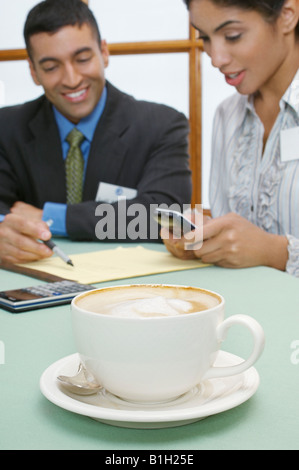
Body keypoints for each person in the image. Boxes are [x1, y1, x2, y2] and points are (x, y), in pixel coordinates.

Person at [0, 0, 192, 264]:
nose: (71, 79)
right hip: (35, 279)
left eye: (82, 59)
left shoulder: (161, 125)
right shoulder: (6, 127)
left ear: (104, 52)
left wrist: (52, 217)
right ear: (33, 71)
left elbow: (165, 216)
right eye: (51, 67)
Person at [162, 0, 299, 277]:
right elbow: (236, 228)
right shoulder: (228, 116)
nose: (216, 58)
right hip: (243, 314)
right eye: (205, 38)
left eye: (232, 36)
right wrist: (204, 240)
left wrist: (274, 252)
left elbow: (261, 246)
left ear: (287, 15)